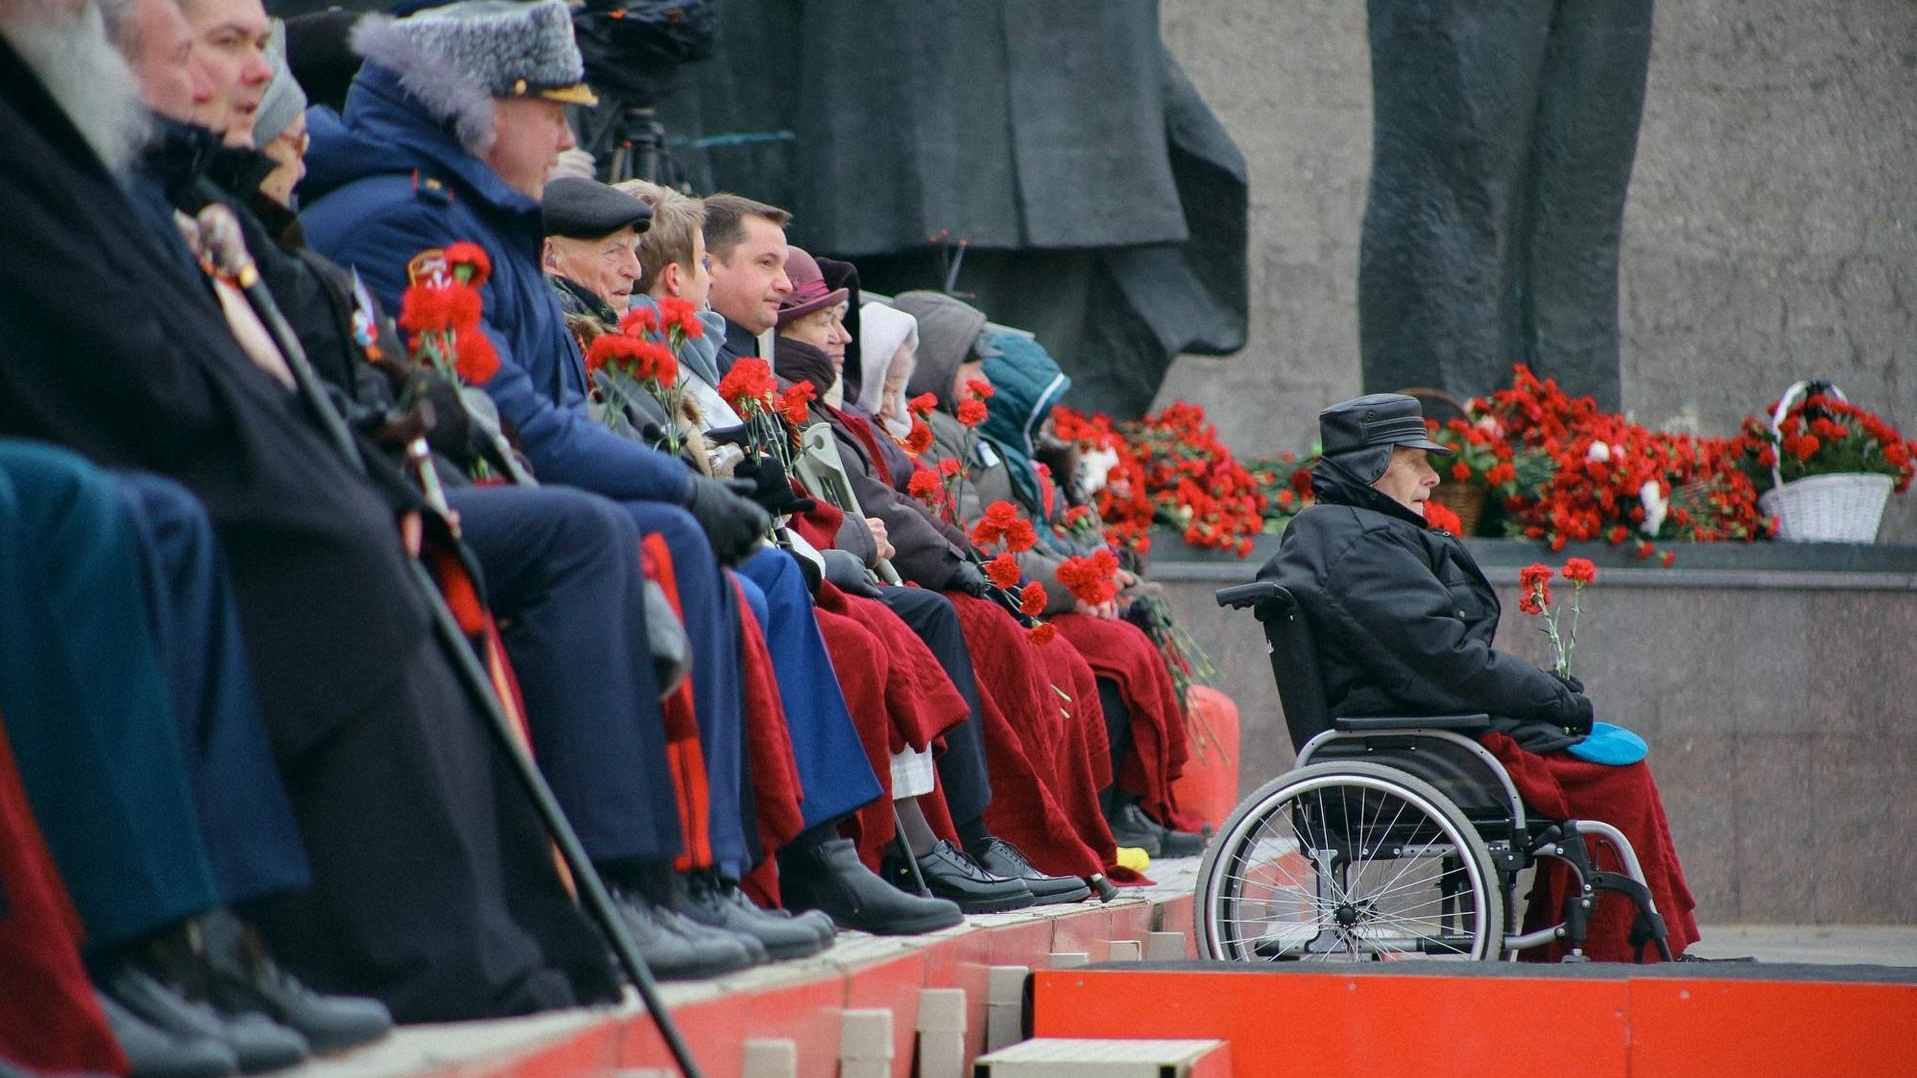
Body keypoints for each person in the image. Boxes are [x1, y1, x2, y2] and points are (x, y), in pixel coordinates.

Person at [0, 0, 613, 1022]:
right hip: (117, 438)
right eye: (208, 50)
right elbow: (125, 351)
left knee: (367, 530)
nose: (222, 86)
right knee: (325, 541)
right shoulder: (390, 215)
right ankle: (305, 936)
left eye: (247, 50)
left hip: (178, 442)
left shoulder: (178, 185)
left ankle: (561, 907)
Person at [1258, 393, 1702, 963]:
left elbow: (1436, 658)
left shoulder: (1353, 534)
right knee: (1615, 772)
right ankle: (1617, 954)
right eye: (1415, 460)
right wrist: (1553, 698)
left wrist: (1546, 697)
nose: (1433, 476)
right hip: (1422, 744)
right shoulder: (1361, 545)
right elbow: (1449, 662)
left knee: (1606, 753)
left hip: (1417, 730)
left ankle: (1621, 943)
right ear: (1373, 464)